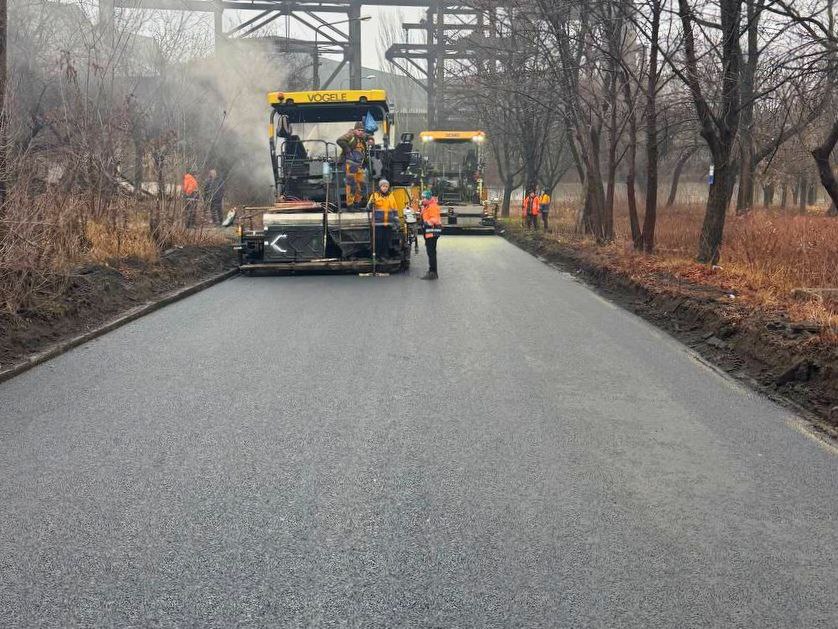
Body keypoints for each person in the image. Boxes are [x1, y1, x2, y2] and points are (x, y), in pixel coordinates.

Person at [337, 122, 370, 210]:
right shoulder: (350, 135)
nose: (360, 132)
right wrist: (347, 149)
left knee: (362, 185)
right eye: (359, 130)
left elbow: (368, 137)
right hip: (351, 164)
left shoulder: (362, 139)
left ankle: (356, 203)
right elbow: (339, 140)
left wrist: (366, 160)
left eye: (362, 130)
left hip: (359, 165)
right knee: (351, 185)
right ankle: (350, 205)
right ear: (355, 130)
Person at [367, 179, 401, 260]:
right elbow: (368, 208)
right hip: (378, 223)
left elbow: (395, 210)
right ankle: (377, 256)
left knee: (386, 241)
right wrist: (371, 204)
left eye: (386, 186)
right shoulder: (374, 196)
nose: (385, 188)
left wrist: (397, 222)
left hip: (388, 223)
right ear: (380, 187)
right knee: (378, 240)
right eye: (383, 186)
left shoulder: (391, 196)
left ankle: (385, 255)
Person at [419, 189, 442, 280]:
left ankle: (433, 272)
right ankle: (432, 271)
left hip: (432, 232)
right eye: (422, 198)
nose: (423, 199)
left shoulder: (432, 206)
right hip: (429, 232)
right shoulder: (427, 206)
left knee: (431, 252)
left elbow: (435, 219)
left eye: (424, 198)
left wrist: (426, 223)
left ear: (428, 198)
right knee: (431, 252)